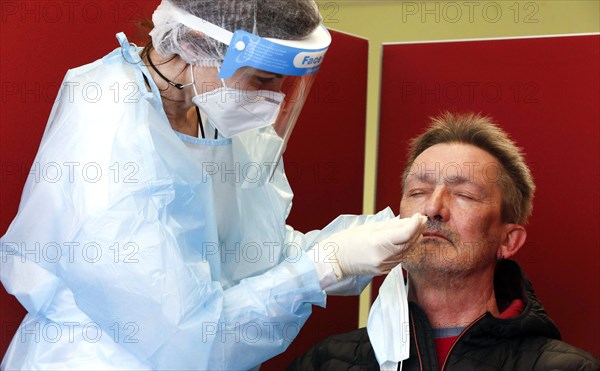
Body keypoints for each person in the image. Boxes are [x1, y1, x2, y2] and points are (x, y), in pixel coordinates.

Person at [0, 1, 427, 370]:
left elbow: (253, 249)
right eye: (262, 80)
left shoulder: (214, 108)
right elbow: (188, 339)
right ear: (195, 46)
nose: (273, 99)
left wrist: (357, 244)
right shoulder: (109, 131)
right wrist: (322, 267)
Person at [288, 112, 600, 371]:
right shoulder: (325, 362)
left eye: (464, 195)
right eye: (417, 192)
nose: (433, 208)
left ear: (508, 240)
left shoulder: (567, 368)